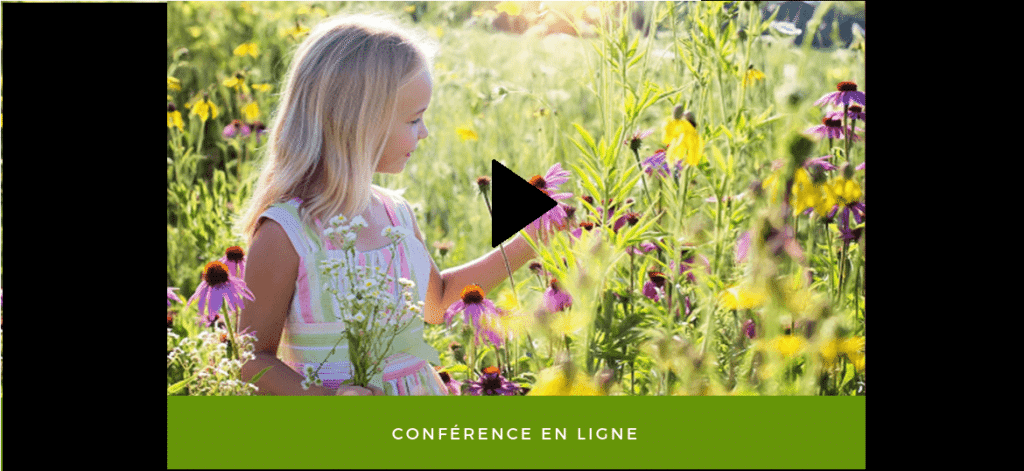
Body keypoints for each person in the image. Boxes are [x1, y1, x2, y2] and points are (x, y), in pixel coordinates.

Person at [236, 13, 540, 396]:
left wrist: (530, 241)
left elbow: (437, 303)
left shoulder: (395, 213)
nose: (425, 132)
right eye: (414, 120)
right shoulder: (287, 233)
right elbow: (250, 360)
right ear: (359, 122)